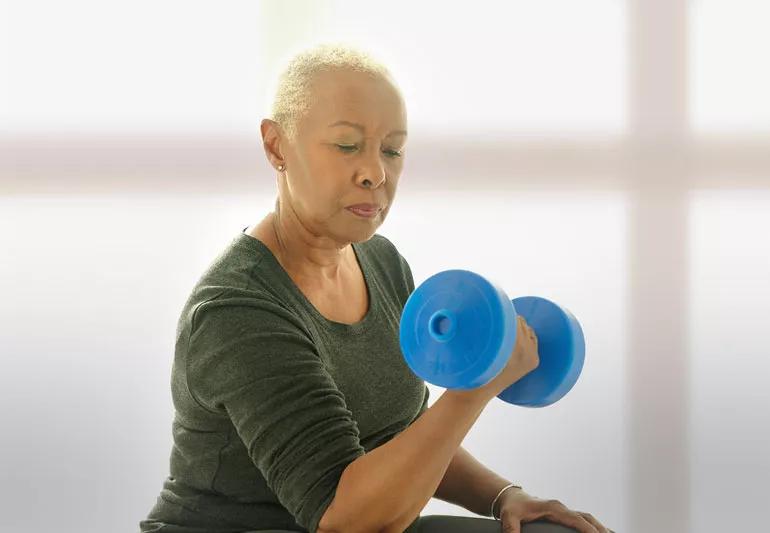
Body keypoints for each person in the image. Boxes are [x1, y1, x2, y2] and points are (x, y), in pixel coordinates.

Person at [139, 43, 614, 533]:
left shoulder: (380, 262)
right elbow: (343, 520)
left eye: (391, 150)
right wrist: (478, 386)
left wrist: (503, 497)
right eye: (347, 145)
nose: (375, 173)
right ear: (277, 146)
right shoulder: (236, 310)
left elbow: (403, 438)